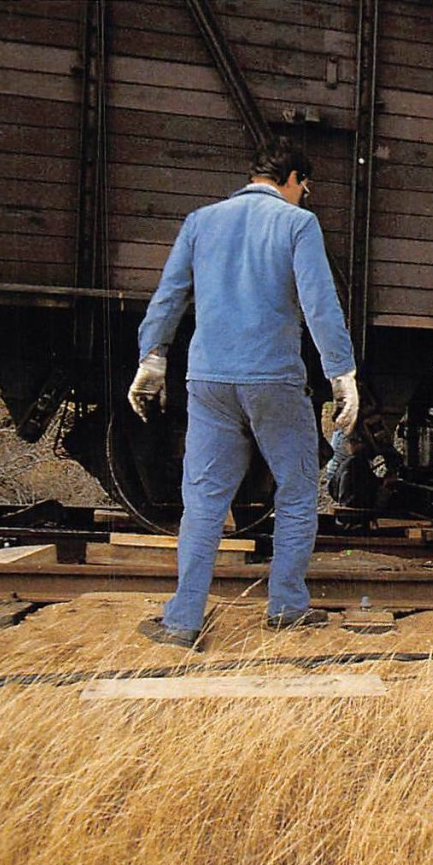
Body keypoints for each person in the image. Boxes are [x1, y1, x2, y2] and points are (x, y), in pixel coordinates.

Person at [127, 137, 358, 648]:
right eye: (306, 188)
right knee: (296, 492)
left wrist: (152, 358)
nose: (305, 196)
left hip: (208, 380)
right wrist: (342, 374)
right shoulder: (298, 224)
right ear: (293, 180)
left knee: (204, 501)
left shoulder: (201, 221)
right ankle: (286, 608)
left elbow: (168, 297)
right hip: (273, 380)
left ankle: (182, 621)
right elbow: (320, 304)